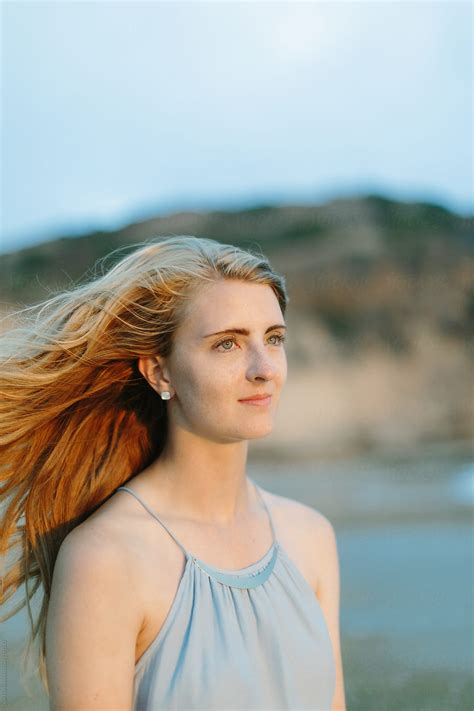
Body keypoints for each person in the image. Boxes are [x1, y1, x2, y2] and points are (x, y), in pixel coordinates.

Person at [0, 235, 346, 710]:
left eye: (274, 338)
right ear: (159, 372)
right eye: (227, 343)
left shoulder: (310, 537)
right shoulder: (105, 559)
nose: (264, 368)